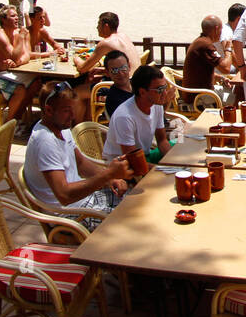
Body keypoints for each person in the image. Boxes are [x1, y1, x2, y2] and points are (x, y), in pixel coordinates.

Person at [24, 81, 130, 223]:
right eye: (67, 110)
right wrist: (108, 174)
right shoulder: (45, 141)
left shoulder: (61, 127)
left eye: (73, 109)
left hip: (84, 201)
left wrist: (112, 178)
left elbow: (81, 163)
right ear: (48, 110)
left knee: (137, 202)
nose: (73, 115)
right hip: (69, 214)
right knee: (130, 221)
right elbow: (65, 195)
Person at [0, 5, 42, 123]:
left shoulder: (15, 34)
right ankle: (8, 125)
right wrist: (22, 37)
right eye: (12, 16)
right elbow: (14, 55)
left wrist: (18, 62)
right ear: (3, 19)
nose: (17, 18)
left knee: (36, 82)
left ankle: (17, 119)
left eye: (17, 15)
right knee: (20, 90)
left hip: (7, 73)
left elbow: (26, 55)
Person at [73, 11, 138, 119]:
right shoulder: (123, 36)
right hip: (134, 82)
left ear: (106, 26)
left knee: (77, 92)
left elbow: (82, 68)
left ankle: (79, 130)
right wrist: (103, 71)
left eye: (98, 24)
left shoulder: (105, 43)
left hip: (122, 86)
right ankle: (89, 122)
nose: (97, 27)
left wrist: (75, 58)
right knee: (90, 82)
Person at [106, 64, 173, 162]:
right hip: (124, 165)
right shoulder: (124, 117)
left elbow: (162, 141)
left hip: (145, 156)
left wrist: (173, 161)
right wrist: (165, 169)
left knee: (181, 144)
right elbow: (133, 162)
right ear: (142, 92)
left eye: (165, 88)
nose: (165, 94)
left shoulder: (157, 105)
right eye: (160, 90)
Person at [182, 15, 234, 90]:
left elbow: (201, 73)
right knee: (236, 94)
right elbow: (226, 69)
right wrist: (228, 49)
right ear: (216, 29)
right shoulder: (206, 45)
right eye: (221, 29)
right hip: (199, 95)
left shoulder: (199, 41)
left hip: (196, 92)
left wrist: (221, 78)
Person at [100, 51, 136, 120]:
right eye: (114, 70)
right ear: (107, 73)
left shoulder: (139, 85)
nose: (121, 74)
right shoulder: (114, 100)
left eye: (123, 68)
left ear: (129, 67)